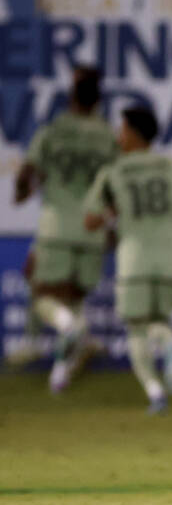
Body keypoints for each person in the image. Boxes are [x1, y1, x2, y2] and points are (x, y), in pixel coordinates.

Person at [83, 108, 172, 414]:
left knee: (136, 328)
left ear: (133, 133)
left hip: (134, 259)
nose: (118, 135)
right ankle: (169, 344)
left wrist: (113, 215)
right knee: (161, 322)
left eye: (121, 129)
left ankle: (155, 393)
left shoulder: (114, 171)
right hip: (169, 256)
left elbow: (90, 221)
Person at [13, 66, 119, 392]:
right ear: (98, 99)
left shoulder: (53, 130)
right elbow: (115, 188)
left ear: (72, 96)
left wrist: (21, 192)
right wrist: (113, 227)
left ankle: (67, 331)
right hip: (92, 228)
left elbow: (28, 171)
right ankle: (67, 363)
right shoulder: (109, 136)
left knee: (42, 292)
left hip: (56, 225)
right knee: (74, 298)